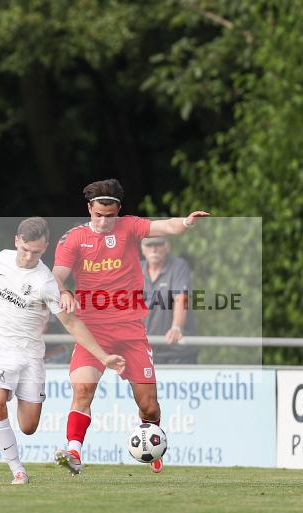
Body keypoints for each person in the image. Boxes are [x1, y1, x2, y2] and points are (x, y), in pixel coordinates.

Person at [0, 217, 125, 485]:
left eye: (36, 252)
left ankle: (14, 418)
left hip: (29, 356)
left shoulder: (46, 282)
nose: (28, 256)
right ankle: (17, 470)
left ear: (45, 247)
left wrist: (103, 356)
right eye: (25, 249)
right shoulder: (1, 259)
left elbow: (71, 322)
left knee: (28, 427)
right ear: (16, 241)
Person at [52, 179, 209, 475]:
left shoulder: (130, 227)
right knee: (83, 391)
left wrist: (186, 223)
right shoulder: (72, 239)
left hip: (131, 332)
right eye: (98, 215)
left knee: (149, 406)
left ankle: (153, 443)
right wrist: (62, 290)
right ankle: (73, 452)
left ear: (118, 211)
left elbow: (166, 227)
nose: (103, 222)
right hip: (92, 332)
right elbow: (57, 275)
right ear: (89, 209)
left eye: (110, 216)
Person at [140, 236, 198, 364]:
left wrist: (176, 327)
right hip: (146, 353)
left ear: (167, 247)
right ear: (142, 249)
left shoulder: (178, 266)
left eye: (158, 244)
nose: (153, 249)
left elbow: (181, 298)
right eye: (149, 245)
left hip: (178, 354)